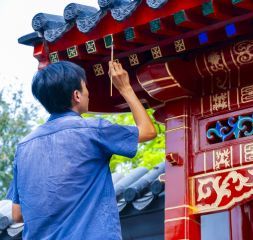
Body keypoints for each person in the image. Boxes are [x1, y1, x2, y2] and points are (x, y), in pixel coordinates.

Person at [6, 60, 157, 239]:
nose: (88, 94)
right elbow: (148, 131)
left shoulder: (23, 148)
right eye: (86, 88)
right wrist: (125, 88)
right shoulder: (93, 130)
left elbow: (17, 214)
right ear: (76, 95)